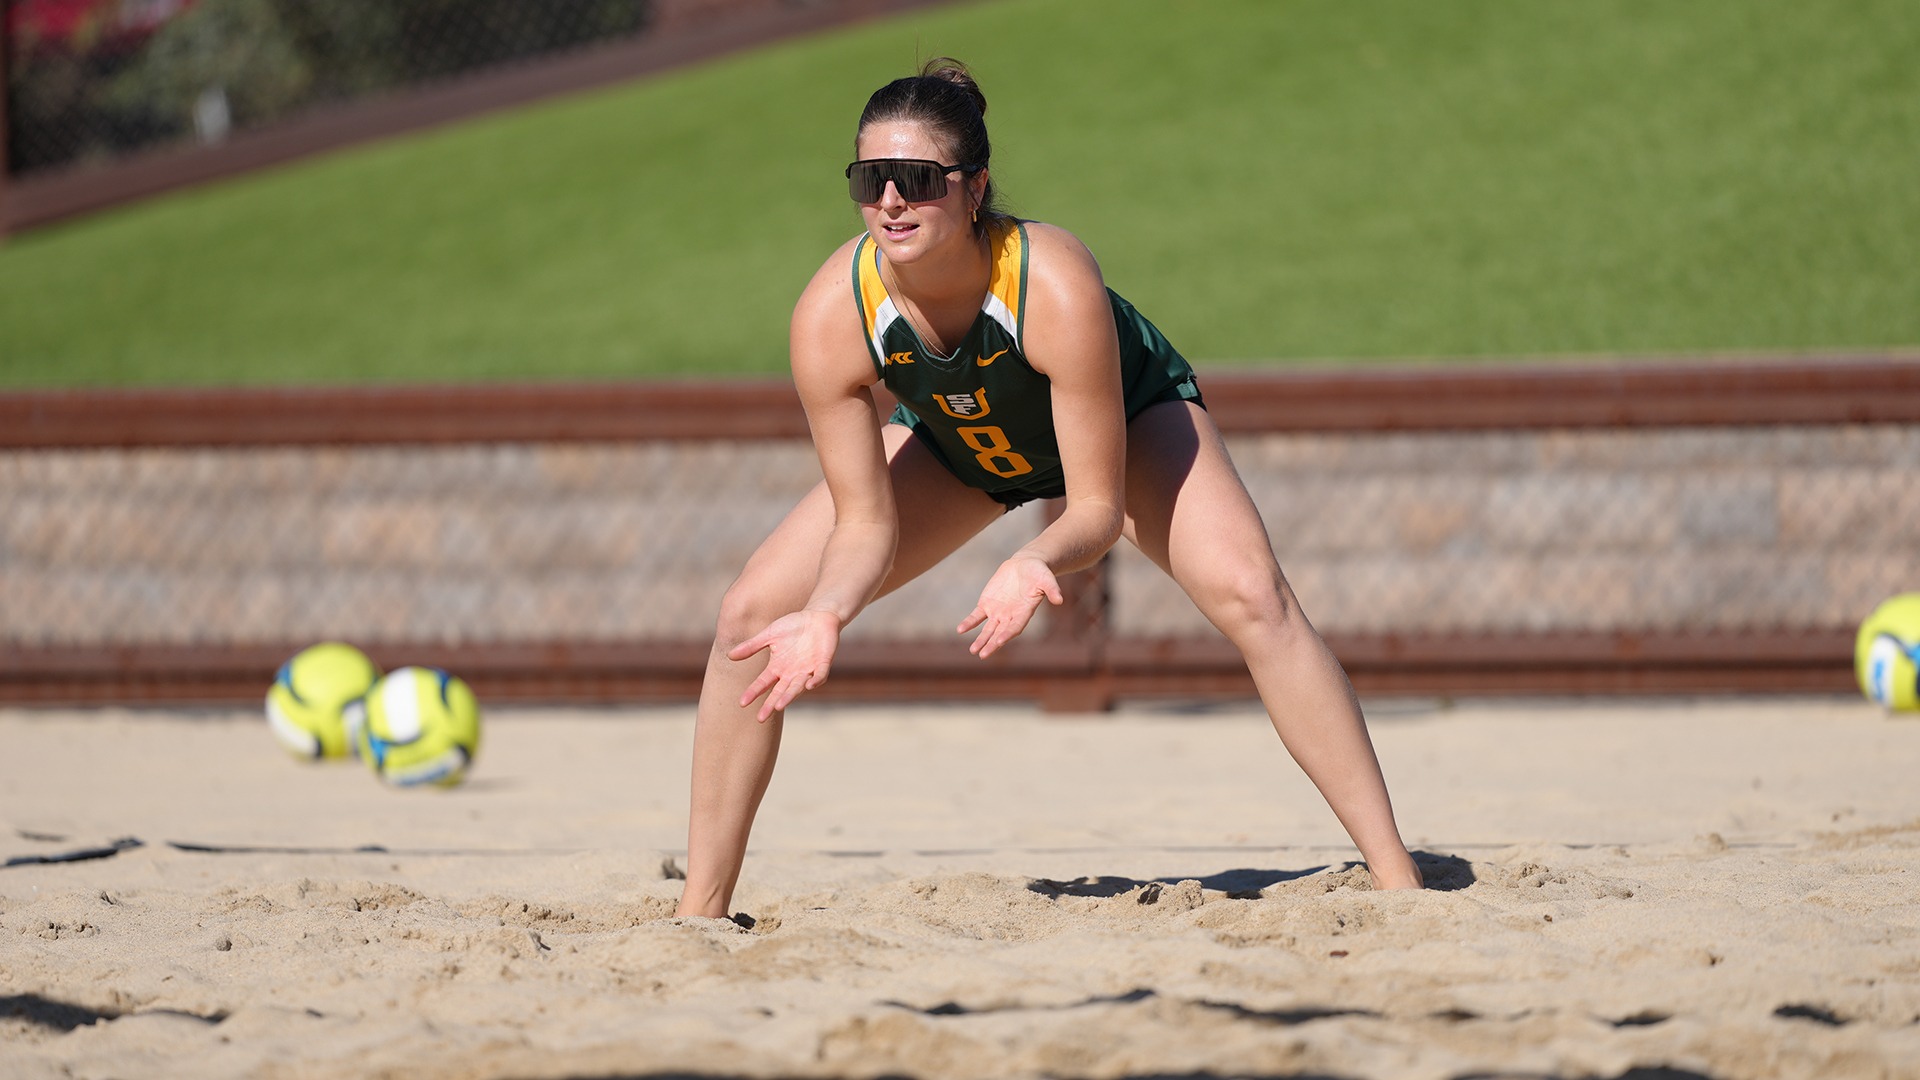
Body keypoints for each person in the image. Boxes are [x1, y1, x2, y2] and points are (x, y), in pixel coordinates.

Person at [675, 59, 1422, 918]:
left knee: (1255, 597)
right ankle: (700, 913)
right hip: (965, 443)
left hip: (1129, 421)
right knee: (750, 616)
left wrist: (1038, 557)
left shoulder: (1049, 277)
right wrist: (827, 612)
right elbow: (860, 525)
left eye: (918, 179)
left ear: (974, 186)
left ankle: (1400, 884)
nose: (890, 200)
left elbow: (1097, 505)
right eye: (869, 179)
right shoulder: (832, 312)